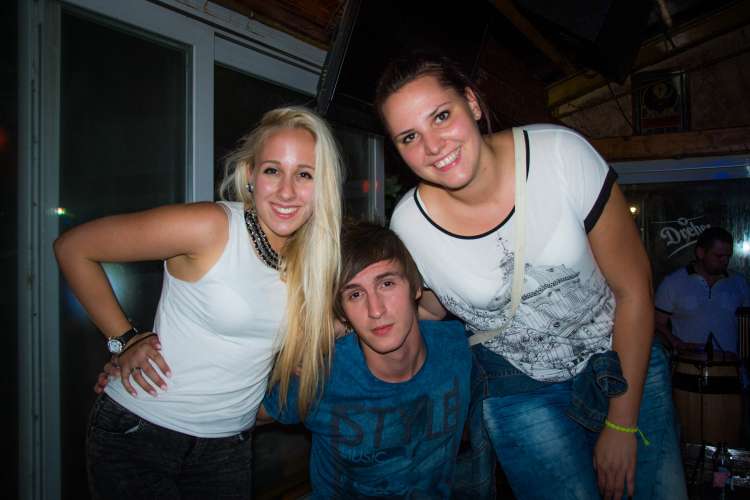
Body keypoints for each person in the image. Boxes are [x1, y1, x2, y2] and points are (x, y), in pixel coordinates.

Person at [374, 52, 686, 500]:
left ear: (471, 103)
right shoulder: (409, 225)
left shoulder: (561, 153)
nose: (433, 145)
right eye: (409, 136)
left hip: (622, 353)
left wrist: (622, 422)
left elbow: (634, 289)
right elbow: (434, 307)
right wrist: (348, 329)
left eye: (441, 116)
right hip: (519, 386)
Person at [54, 106, 343, 499]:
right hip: (141, 433)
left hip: (227, 449)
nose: (287, 191)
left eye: (304, 174)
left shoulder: (315, 261)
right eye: (273, 170)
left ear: (322, 184)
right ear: (250, 175)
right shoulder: (211, 226)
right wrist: (123, 340)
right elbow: (74, 248)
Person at [258, 221, 472, 499]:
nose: (376, 310)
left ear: (416, 287)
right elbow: (249, 416)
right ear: (342, 312)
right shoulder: (320, 375)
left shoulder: (459, 350)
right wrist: (276, 360)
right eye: (355, 294)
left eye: (386, 284)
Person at [655, 227, 750, 353]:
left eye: (728, 256)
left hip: (731, 363)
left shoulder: (740, 282)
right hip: (687, 362)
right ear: (700, 252)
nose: (725, 261)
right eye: (719, 256)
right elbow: (656, 324)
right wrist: (676, 342)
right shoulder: (672, 282)